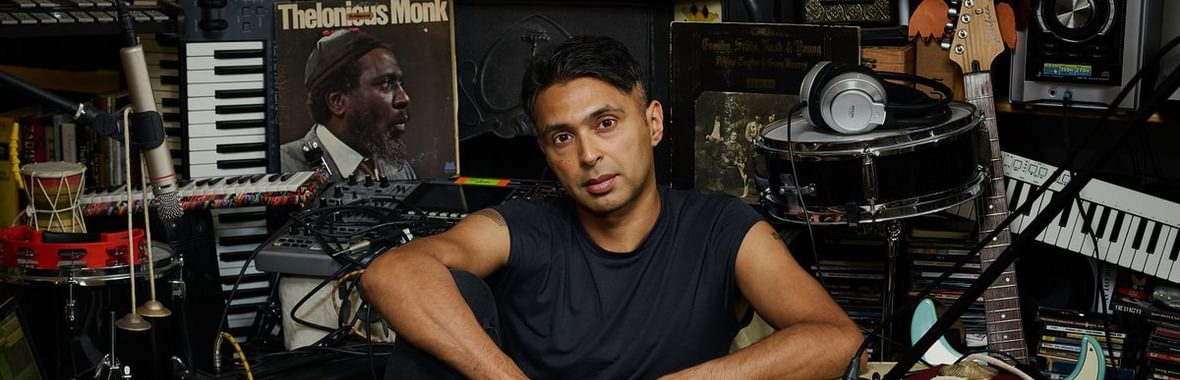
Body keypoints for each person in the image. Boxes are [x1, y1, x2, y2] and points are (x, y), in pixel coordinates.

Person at [361, 35, 863, 379]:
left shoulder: (720, 228)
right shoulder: (521, 228)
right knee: (457, 290)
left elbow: (837, 339)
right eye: (563, 137)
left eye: (605, 123)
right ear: (547, 153)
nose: (589, 155)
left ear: (653, 123)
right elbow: (394, 273)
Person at [279, 28, 416, 181]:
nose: (404, 98)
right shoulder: (283, 169)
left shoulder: (398, 168)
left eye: (400, 83)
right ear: (337, 101)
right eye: (385, 83)